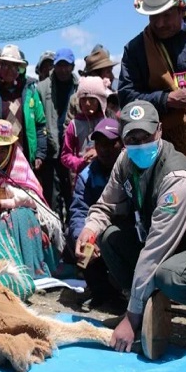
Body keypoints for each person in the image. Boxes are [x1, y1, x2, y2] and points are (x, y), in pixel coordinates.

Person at [76, 100, 186, 360]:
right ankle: (150, 301)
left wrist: (131, 318)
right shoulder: (126, 160)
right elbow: (105, 206)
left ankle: (142, 306)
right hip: (167, 243)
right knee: (108, 236)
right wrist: (88, 231)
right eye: (131, 137)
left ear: (159, 130)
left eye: (145, 135)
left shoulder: (177, 180)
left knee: (171, 276)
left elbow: (155, 251)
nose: (139, 143)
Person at [119, 0, 186, 161]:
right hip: (169, 152)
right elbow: (126, 98)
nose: (159, 24)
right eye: (154, 16)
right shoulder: (135, 50)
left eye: (166, 15)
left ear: (182, 10)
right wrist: (167, 99)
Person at [0, 119, 64, 278]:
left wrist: (5, 203)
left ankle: (31, 271)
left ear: (11, 149)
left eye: (2, 151)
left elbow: (33, 199)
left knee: (19, 216)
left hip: (25, 219)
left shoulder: (20, 167)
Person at [67, 118, 124, 308]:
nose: (104, 149)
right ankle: (101, 292)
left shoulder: (131, 169)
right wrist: (81, 237)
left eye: (110, 144)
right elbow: (78, 210)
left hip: (125, 232)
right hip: (96, 231)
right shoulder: (86, 175)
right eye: (99, 144)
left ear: (121, 143)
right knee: (76, 239)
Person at [0, 44, 48, 170]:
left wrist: (40, 154)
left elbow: (40, 125)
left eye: (13, 65)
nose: (9, 69)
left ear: (19, 69)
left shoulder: (31, 92)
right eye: (5, 65)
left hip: (26, 157)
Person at [37, 47, 79, 220]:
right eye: (59, 65)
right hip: (51, 152)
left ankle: (72, 236)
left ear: (73, 66)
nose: (63, 69)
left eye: (66, 66)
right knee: (52, 198)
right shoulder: (42, 88)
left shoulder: (80, 88)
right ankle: (54, 238)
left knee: (73, 196)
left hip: (72, 151)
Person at [61, 76, 111, 176]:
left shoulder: (108, 122)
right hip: (82, 177)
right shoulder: (74, 125)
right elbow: (65, 156)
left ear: (100, 101)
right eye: (83, 100)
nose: (87, 104)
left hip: (106, 175)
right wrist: (81, 162)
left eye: (92, 100)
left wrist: (99, 153)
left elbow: (117, 148)